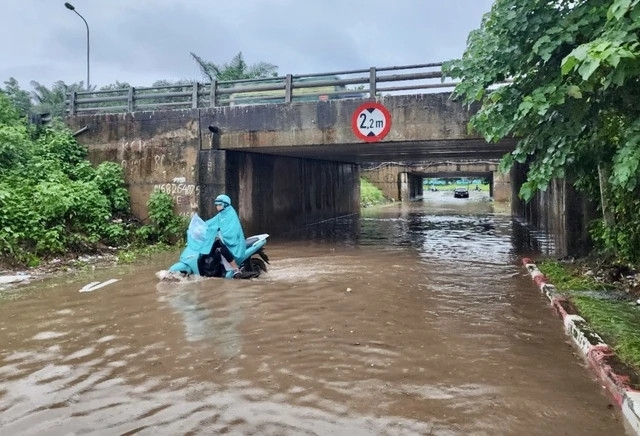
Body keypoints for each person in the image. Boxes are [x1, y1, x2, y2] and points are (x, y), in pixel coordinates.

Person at [205, 194, 246, 279]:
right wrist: (201, 226)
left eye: (220, 205)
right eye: (217, 205)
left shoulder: (231, 214)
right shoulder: (221, 215)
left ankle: (236, 269)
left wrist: (221, 235)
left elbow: (232, 230)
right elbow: (211, 223)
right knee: (213, 247)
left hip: (235, 242)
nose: (218, 207)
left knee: (223, 249)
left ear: (225, 204)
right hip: (225, 240)